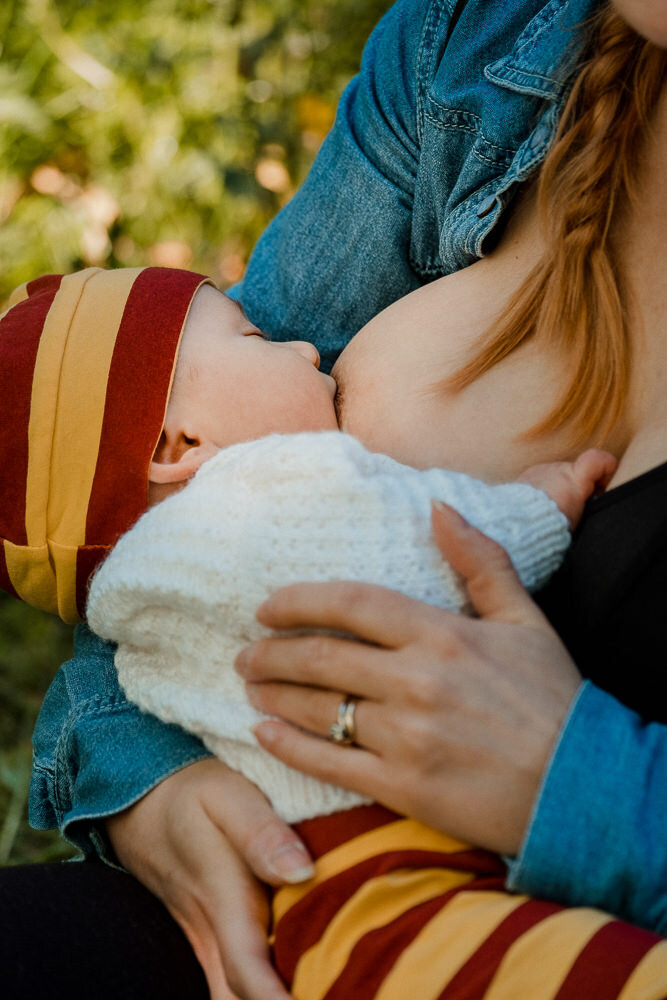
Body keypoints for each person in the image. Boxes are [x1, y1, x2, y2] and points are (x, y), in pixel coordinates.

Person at [1, 0, 663, 997]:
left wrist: (574, 784)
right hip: (305, 891)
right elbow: (138, 551)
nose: (306, 351)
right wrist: (159, 790)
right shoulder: (477, 50)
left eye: (272, 343)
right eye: (266, 348)